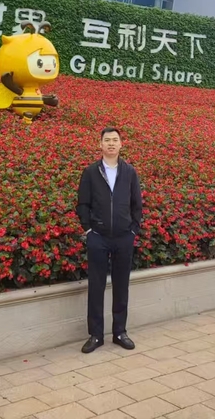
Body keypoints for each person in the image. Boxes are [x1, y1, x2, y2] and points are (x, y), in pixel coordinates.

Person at [75, 127, 143, 353]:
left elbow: (137, 204)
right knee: (96, 286)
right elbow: (82, 203)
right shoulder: (90, 172)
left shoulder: (130, 172)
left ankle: (120, 332)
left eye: (115, 140)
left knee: (121, 286)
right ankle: (96, 335)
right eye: (107, 140)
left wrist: (133, 230)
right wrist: (88, 230)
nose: (111, 144)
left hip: (124, 237)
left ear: (121, 144)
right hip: (98, 238)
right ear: (100, 145)